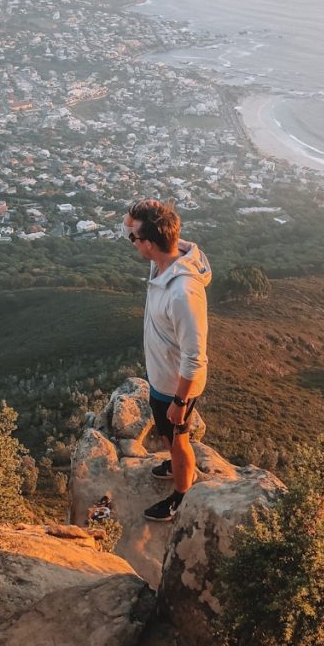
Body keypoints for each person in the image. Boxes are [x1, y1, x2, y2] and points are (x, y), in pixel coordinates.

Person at [123, 198, 211, 522]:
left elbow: (194, 357)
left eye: (135, 239)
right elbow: (133, 226)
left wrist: (180, 401)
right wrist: (139, 211)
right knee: (167, 434)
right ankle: (175, 464)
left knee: (177, 439)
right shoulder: (163, 259)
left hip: (177, 384)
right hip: (164, 377)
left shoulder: (183, 292)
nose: (131, 241)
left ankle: (181, 496)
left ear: (149, 244)